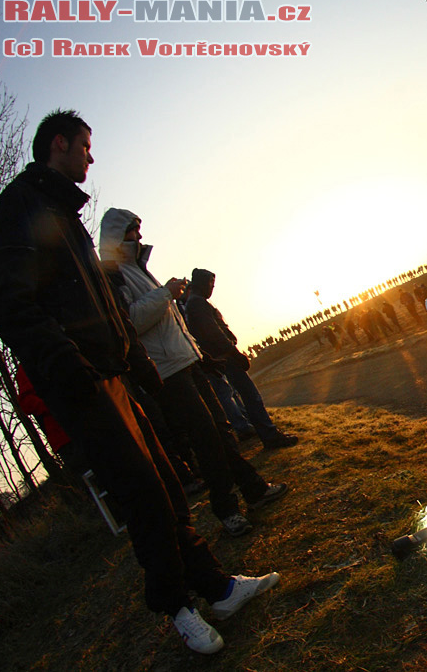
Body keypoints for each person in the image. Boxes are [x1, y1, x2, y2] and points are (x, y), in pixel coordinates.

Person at [0, 109, 278, 654]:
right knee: (143, 497)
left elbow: (101, 304)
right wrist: (71, 367)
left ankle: (217, 589)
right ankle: (176, 608)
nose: (90, 157)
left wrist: (133, 360)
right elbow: (10, 305)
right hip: (81, 385)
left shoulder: (65, 215)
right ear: (59, 144)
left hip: (116, 377)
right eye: (84, 147)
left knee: (168, 486)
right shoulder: (18, 210)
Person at [98, 208, 288, 537]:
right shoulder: (112, 275)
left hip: (186, 363)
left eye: (139, 228)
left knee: (219, 431)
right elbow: (129, 321)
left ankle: (253, 491)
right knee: (207, 439)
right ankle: (228, 509)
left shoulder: (139, 269)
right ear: (118, 234)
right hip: (166, 373)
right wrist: (166, 293)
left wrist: (200, 356)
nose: (139, 236)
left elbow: (171, 324)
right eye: (132, 230)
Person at [184, 269, 299, 449]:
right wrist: (235, 353)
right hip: (225, 357)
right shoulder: (197, 304)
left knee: (247, 395)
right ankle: (269, 435)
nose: (212, 289)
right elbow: (214, 333)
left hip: (222, 356)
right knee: (250, 396)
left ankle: (268, 433)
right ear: (202, 283)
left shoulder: (195, 303)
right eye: (210, 285)